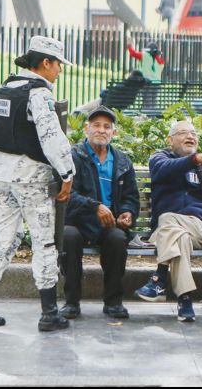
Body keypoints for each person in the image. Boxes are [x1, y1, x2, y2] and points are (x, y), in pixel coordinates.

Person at [0, 36, 76, 332]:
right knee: (44, 241)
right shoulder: (38, 95)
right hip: (31, 179)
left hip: (0, 176)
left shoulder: (5, 88)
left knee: (4, 238)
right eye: (57, 65)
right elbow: (52, 138)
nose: (59, 71)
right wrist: (67, 173)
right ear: (45, 63)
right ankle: (49, 313)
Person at [134, 121, 202, 322]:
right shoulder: (159, 159)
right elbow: (164, 170)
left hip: (197, 228)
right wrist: (194, 159)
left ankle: (159, 277)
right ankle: (185, 299)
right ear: (170, 140)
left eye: (193, 133)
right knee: (179, 237)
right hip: (169, 232)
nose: (190, 136)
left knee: (167, 219)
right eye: (183, 133)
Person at [59, 105, 140, 320]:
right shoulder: (73, 155)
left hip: (108, 223)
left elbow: (131, 197)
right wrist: (94, 206)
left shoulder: (122, 160)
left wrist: (127, 213)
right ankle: (71, 302)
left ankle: (113, 302)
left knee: (117, 239)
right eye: (96, 125)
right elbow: (66, 194)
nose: (101, 130)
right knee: (69, 237)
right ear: (86, 129)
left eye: (107, 126)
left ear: (114, 132)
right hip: (77, 220)